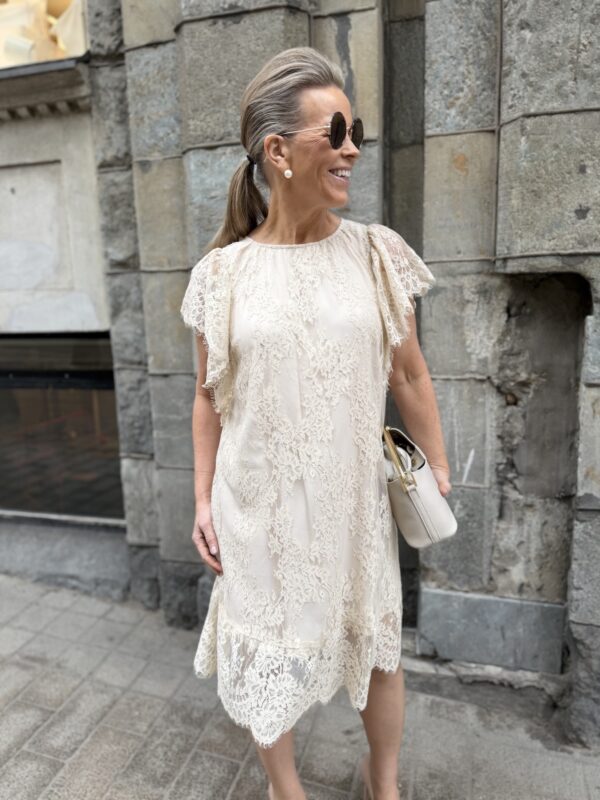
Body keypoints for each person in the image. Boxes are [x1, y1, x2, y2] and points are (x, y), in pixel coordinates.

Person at [180, 46, 451, 800]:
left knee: (379, 651)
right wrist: (202, 499)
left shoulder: (375, 254)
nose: (352, 148)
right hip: (255, 510)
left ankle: (383, 784)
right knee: (268, 655)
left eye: (354, 130)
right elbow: (207, 395)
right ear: (278, 152)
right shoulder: (221, 275)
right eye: (335, 132)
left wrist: (435, 465)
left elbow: (409, 373)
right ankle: (287, 791)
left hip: (352, 505)